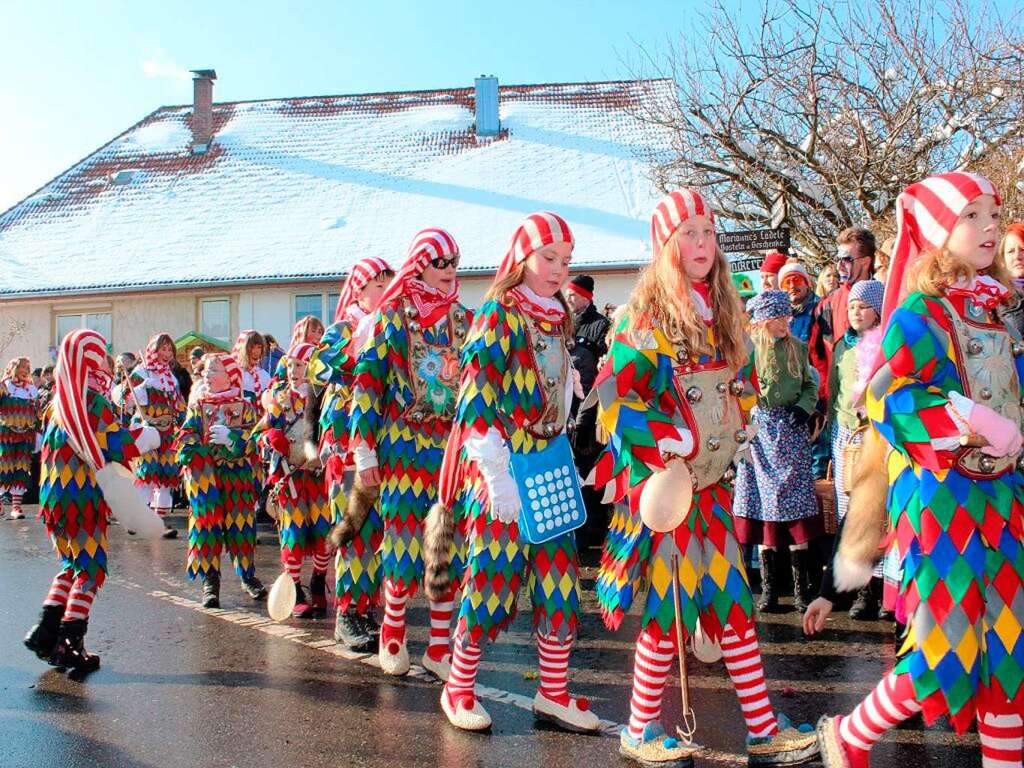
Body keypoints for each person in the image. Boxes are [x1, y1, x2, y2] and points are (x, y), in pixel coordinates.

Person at [590, 190, 818, 766]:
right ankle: (640, 729)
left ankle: (764, 728)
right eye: (688, 233)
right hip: (670, 492)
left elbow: (740, 384)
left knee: (734, 605)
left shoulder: (721, 314)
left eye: (708, 232)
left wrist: (738, 413)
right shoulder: (644, 319)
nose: (702, 244)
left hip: (713, 491)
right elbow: (614, 397)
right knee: (668, 614)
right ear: (666, 246)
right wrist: (666, 441)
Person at [816, 172, 1024, 768]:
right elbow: (884, 399)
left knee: (1010, 647)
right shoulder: (919, 312)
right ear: (937, 233)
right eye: (971, 217)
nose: (988, 227)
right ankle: (852, 735)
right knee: (945, 649)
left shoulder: (997, 311)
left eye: (992, 214)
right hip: (943, 500)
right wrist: (969, 414)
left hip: (1004, 497)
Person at [429, 212, 599, 734]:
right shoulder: (497, 314)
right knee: (491, 577)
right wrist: (496, 474)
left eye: (565, 261)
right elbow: (477, 398)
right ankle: (458, 686)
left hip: (550, 459)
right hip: (502, 460)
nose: (557, 270)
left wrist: (572, 387)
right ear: (523, 256)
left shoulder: (559, 315)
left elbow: (549, 391)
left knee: (558, 579)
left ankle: (553, 692)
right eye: (548, 258)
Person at [348, 229, 471, 680]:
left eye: (454, 261)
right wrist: (363, 448)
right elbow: (366, 381)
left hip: (448, 449)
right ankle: (393, 631)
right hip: (402, 445)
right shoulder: (392, 317)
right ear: (419, 265)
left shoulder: (465, 319)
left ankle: (440, 648)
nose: (449, 270)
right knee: (401, 539)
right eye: (440, 262)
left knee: (446, 542)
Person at [23, 329, 159, 677]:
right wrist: (149, 435)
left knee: (71, 564)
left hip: (53, 497)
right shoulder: (93, 402)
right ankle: (72, 641)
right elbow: (115, 443)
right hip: (81, 496)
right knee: (91, 570)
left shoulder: (58, 403)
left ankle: (45, 632)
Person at [309, 256, 394, 651]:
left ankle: (365, 608)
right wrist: (357, 342)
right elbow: (317, 370)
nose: (386, 290)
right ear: (360, 290)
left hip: (383, 445)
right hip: (347, 448)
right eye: (379, 285)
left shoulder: (393, 327)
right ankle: (347, 612)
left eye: (389, 284)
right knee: (354, 529)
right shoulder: (342, 328)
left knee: (376, 532)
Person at [802, 280, 888, 628]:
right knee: (850, 510)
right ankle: (856, 584)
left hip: (878, 435)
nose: (855, 312)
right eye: (851, 306)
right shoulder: (842, 347)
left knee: (877, 516)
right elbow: (835, 389)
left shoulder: (887, 345)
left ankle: (882, 588)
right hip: (847, 433)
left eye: (863, 306)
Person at [733, 290, 822, 614]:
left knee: (795, 507)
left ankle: (802, 591)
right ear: (765, 320)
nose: (787, 322)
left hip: (792, 431)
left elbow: (812, 383)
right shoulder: (748, 351)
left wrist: (804, 407)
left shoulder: (798, 348)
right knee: (765, 507)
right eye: (780, 318)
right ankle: (769, 591)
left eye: (788, 317)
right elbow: (735, 388)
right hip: (761, 433)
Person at [175, 353, 266, 608]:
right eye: (206, 368)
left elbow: (255, 441)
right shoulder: (197, 406)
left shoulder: (246, 407)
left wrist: (233, 439)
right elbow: (185, 440)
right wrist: (201, 449)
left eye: (213, 369)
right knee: (206, 529)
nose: (206, 372)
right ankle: (210, 582)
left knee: (241, 528)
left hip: (237, 479)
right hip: (207, 480)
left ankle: (248, 576)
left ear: (229, 376)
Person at [259, 342, 332, 618]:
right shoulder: (279, 398)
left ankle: (317, 581)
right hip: (290, 478)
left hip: (318, 476)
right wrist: (270, 439)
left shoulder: (324, 397)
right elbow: (260, 432)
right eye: (290, 365)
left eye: (299, 365)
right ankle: (295, 588)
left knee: (323, 533)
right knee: (293, 533)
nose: (293, 370)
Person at [564, 274, 611, 551]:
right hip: (565, 410)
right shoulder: (561, 324)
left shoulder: (601, 326)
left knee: (589, 469)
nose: (568, 299)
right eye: (566, 295)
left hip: (591, 410)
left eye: (572, 295)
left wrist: (587, 415)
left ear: (586, 297)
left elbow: (604, 370)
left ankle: (592, 532)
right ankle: (573, 529)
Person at [126, 333, 186, 538]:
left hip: (168, 429)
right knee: (147, 473)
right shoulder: (141, 371)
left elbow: (179, 405)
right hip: (147, 426)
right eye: (163, 349)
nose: (167, 354)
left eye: (170, 350)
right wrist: (142, 387)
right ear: (154, 350)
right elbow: (124, 398)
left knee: (167, 474)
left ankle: (159, 522)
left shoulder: (171, 377)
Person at [0, 357, 41, 519]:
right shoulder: (4, 386)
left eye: (27, 368)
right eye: (21, 367)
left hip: (26, 434)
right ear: (13, 369)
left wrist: (38, 431)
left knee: (22, 468)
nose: (24, 371)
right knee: (4, 467)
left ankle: (16, 507)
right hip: (6, 433)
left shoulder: (32, 390)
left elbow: (37, 413)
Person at [779, 260, 819, 344]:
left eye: (797, 280)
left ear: (807, 284)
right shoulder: (779, 317)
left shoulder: (821, 309)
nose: (792, 286)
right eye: (787, 283)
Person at [998, 221, 1024, 338]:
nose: (1017, 256)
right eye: (1011, 251)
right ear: (1003, 260)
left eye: (1023, 249)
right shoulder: (994, 295)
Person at [233, 330, 271, 409]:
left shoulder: (264, 375)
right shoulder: (234, 373)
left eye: (259, 347)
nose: (256, 351)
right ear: (242, 349)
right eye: (252, 347)